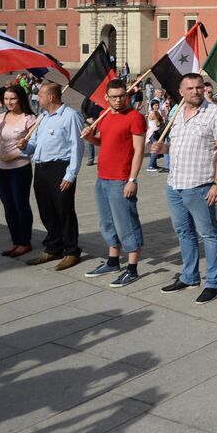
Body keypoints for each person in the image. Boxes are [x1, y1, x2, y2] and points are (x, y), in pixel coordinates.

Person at [158, 71, 217, 302]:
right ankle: (189, 275)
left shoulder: (215, 114)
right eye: (190, 88)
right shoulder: (177, 113)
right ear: (181, 92)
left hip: (200, 185)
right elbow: (179, 146)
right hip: (175, 184)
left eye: (199, 87)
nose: (195, 91)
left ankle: (214, 282)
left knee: (209, 234)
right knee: (183, 232)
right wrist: (164, 150)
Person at [80, 79, 147, 287]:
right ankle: (112, 261)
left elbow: (139, 151)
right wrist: (90, 137)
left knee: (126, 224)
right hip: (103, 177)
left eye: (121, 96)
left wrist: (132, 180)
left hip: (121, 179)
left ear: (126, 96)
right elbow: (104, 141)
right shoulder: (105, 115)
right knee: (107, 223)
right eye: (114, 97)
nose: (118, 100)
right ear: (106, 98)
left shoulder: (135, 117)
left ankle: (132, 269)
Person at [19, 83, 86, 270]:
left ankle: (72, 251)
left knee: (64, 210)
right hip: (41, 168)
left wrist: (71, 174)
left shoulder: (70, 116)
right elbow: (34, 144)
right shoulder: (43, 117)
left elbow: (76, 147)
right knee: (46, 210)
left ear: (51, 97)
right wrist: (25, 146)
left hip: (60, 168)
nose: (37, 98)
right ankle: (54, 247)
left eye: (40, 95)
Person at [0, 85, 36, 257]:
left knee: (20, 205)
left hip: (20, 169)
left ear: (21, 99)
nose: (9, 102)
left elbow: (34, 146)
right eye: (6, 99)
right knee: (8, 206)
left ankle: (25, 241)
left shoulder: (29, 119)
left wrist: (16, 154)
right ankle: (16, 240)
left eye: (12, 98)